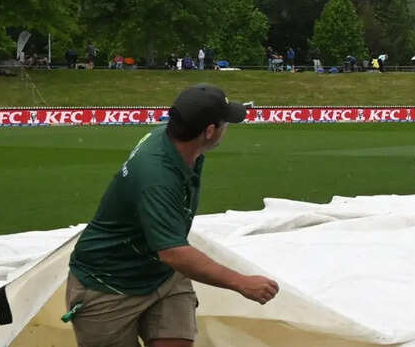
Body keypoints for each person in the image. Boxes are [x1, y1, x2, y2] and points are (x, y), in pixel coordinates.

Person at [66, 84, 279, 346]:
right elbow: (173, 252)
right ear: (209, 131)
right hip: (108, 284)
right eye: (224, 122)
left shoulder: (179, 146)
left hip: (162, 274)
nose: (227, 128)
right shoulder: (157, 176)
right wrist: (241, 282)